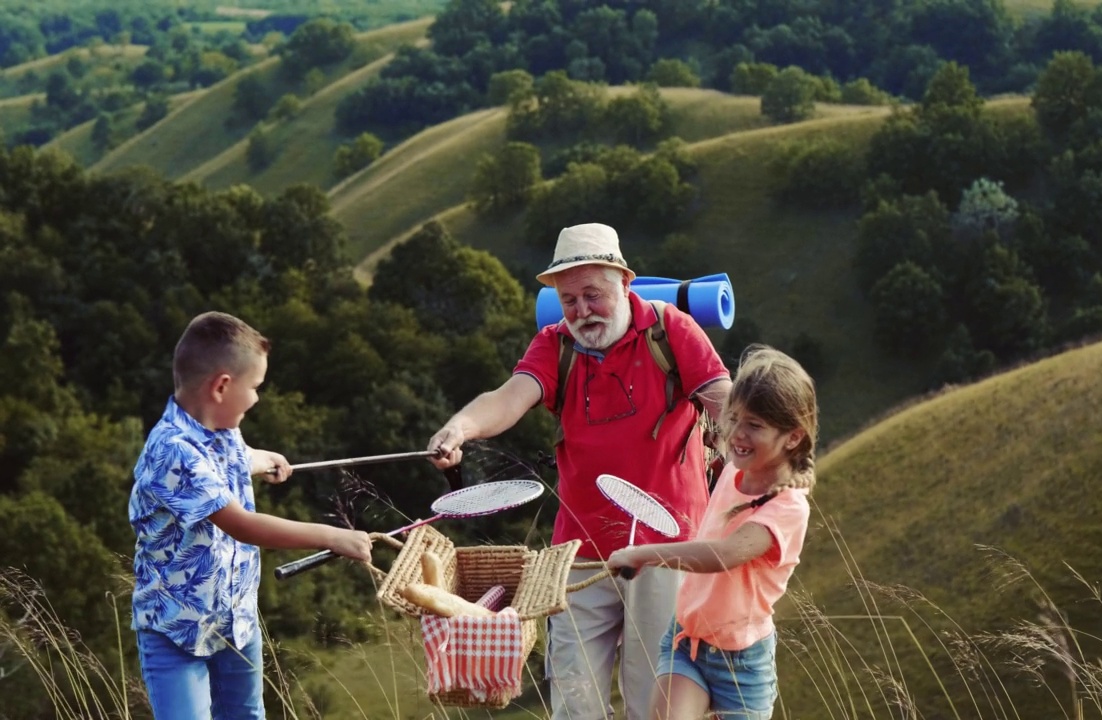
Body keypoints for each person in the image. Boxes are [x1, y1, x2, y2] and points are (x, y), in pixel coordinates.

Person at [427, 223, 732, 719]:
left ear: (624, 282)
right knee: (573, 701)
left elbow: (725, 402)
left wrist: (763, 464)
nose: (582, 311)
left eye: (593, 295)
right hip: (579, 554)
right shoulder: (555, 345)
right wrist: (460, 428)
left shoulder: (670, 331)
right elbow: (509, 398)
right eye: (569, 301)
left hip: (666, 549)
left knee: (651, 700)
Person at [129, 311, 373, 720]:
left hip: (235, 622)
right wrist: (330, 536)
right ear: (222, 386)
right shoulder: (173, 450)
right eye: (256, 387)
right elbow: (241, 524)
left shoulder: (222, 428)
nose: (258, 397)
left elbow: (232, 458)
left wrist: (262, 460)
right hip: (177, 633)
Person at [606, 345, 817, 720]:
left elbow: (721, 556)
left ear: (793, 437)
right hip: (687, 641)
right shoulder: (734, 471)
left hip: (742, 665)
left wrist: (642, 554)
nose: (737, 433)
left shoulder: (788, 508)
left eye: (755, 425)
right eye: (733, 418)